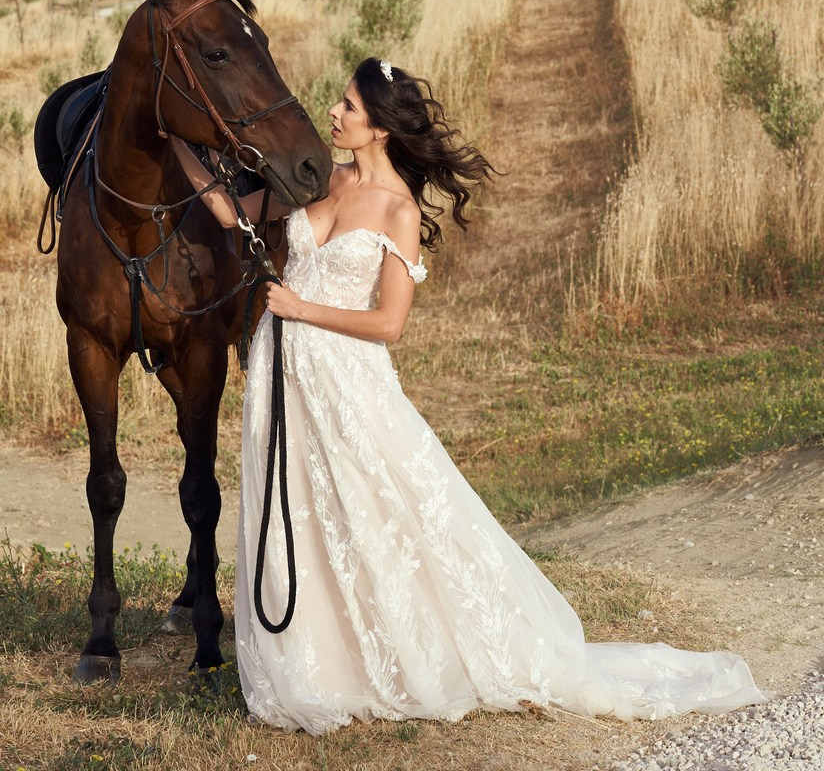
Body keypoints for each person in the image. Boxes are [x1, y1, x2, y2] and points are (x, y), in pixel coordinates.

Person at [170, 57, 763, 735]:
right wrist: (175, 139)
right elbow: (226, 212)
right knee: (296, 509)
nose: (332, 113)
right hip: (282, 370)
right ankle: (315, 661)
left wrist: (302, 308)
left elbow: (389, 323)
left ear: (380, 129)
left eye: (348, 107)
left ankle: (406, 651)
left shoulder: (398, 211)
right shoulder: (316, 178)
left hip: (345, 379)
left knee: (374, 512)